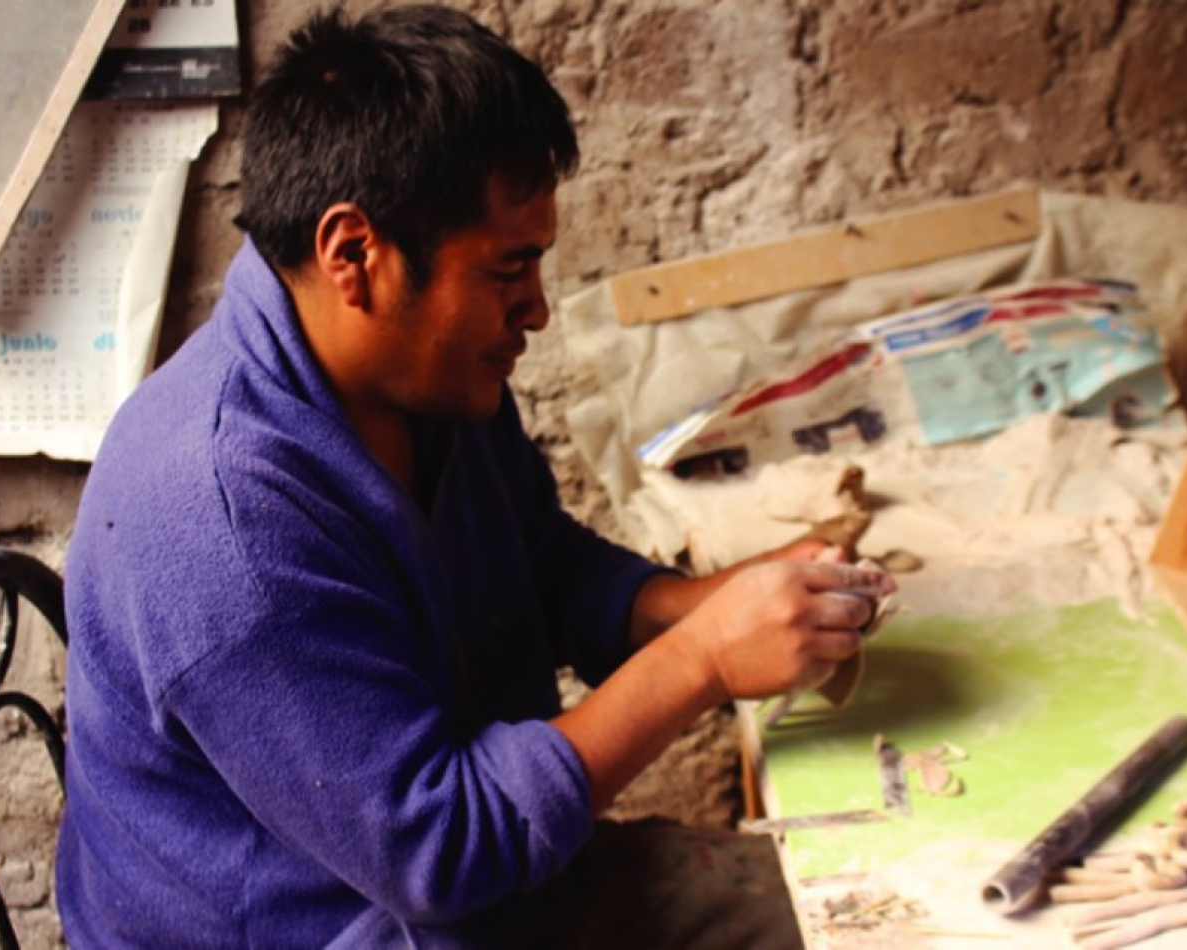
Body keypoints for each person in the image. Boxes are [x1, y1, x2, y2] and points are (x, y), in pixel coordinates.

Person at [55, 4, 894, 947]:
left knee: (878, 907)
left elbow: (545, 564)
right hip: (342, 920)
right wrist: (701, 663)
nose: (536, 308)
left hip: (470, 877)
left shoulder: (429, 376)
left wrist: (712, 604)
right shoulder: (222, 522)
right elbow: (439, 851)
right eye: (508, 269)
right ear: (355, 256)